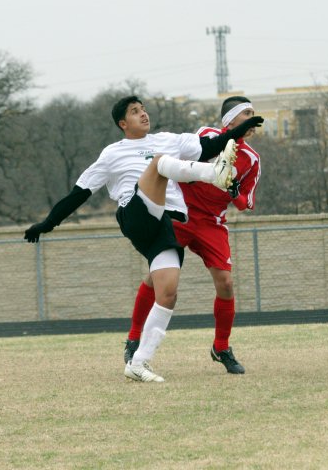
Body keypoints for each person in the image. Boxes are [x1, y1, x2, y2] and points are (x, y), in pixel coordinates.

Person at [24, 95, 262, 382]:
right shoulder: (113, 153)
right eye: (135, 112)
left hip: (170, 222)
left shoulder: (168, 139)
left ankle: (140, 362)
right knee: (160, 163)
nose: (143, 114)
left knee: (168, 291)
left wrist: (239, 133)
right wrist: (49, 223)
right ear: (123, 124)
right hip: (135, 212)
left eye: (144, 109)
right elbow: (80, 192)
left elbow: (211, 148)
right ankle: (214, 173)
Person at [123, 96, 261, 374]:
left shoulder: (252, 159)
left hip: (212, 222)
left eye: (253, 113)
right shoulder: (205, 137)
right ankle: (134, 337)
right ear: (229, 121)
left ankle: (221, 347)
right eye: (246, 113)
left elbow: (247, 202)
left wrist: (235, 193)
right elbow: (175, 161)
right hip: (181, 213)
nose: (252, 118)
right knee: (157, 277)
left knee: (226, 283)